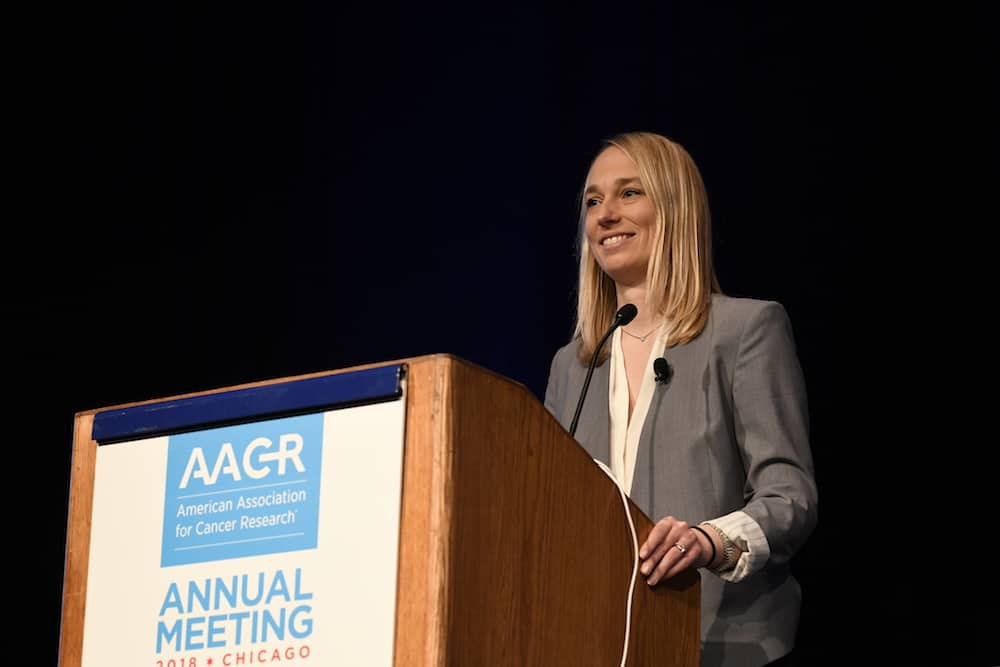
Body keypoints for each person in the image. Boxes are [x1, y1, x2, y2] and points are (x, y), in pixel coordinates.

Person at [543, 131, 818, 667]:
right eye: (593, 201)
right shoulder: (571, 366)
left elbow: (790, 496)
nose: (604, 215)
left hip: (722, 644)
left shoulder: (744, 331)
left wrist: (710, 541)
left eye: (629, 193)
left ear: (675, 207)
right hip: (597, 645)